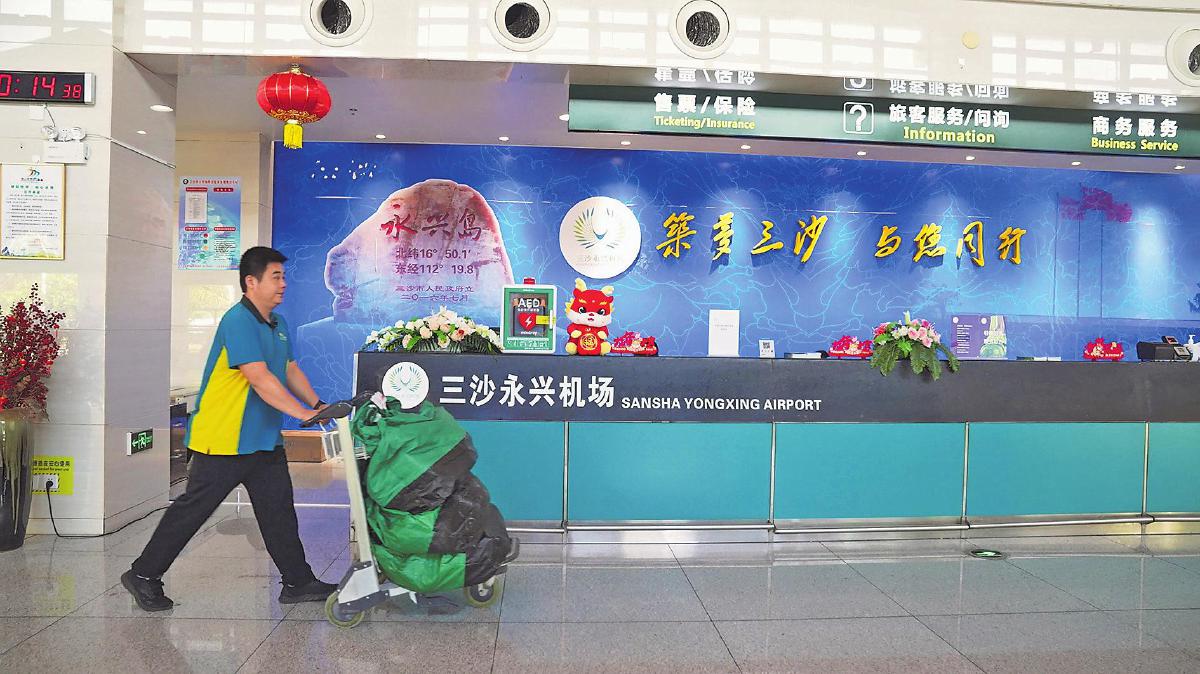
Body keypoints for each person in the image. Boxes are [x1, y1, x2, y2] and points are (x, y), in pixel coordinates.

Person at [122, 246, 337, 612]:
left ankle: (298, 582)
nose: (283, 284)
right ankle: (143, 574)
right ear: (251, 281)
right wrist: (301, 412)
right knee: (193, 510)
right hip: (223, 440)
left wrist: (317, 405)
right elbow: (259, 378)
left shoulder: (277, 323)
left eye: (283, 276)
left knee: (279, 511)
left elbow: (289, 369)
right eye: (276, 277)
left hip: (262, 440)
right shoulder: (237, 321)